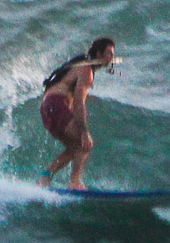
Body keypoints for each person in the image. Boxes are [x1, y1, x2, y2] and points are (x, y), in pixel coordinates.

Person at [39, 36, 115, 189]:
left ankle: (45, 178)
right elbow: (79, 102)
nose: (111, 58)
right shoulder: (86, 70)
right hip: (56, 104)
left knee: (74, 147)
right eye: (109, 53)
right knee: (84, 143)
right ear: (99, 54)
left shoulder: (80, 65)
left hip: (47, 106)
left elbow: (67, 91)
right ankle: (74, 182)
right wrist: (84, 131)